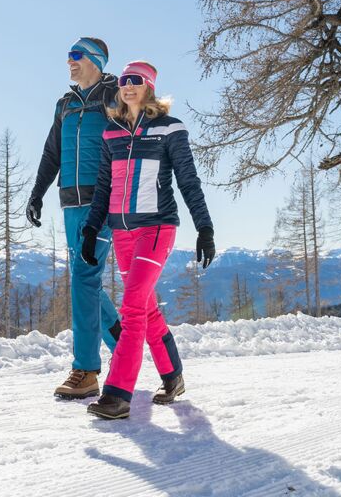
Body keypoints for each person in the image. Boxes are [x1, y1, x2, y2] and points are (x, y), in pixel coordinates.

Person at [81, 61, 215, 420]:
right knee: (147, 307)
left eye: (135, 81)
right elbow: (105, 187)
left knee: (133, 308)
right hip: (122, 233)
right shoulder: (112, 132)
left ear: (149, 87)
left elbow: (188, 181)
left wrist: (205, 228)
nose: (127, 86)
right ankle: (173, 377)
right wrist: (92, 229)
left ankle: (117, 394)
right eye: (124, 81)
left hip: (157, 229)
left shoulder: (169, 128)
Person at [26, 37, 122, 399]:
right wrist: (37, 193)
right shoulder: (65, 104)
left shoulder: (114, 97)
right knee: (86, 278)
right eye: (68, 55)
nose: (70, 61)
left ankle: (86, 370)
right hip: (70, 203)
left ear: (95, 60)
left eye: (76, 55)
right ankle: (122, 343)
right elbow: (53, 152)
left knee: (84, 276)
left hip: (103, 203)